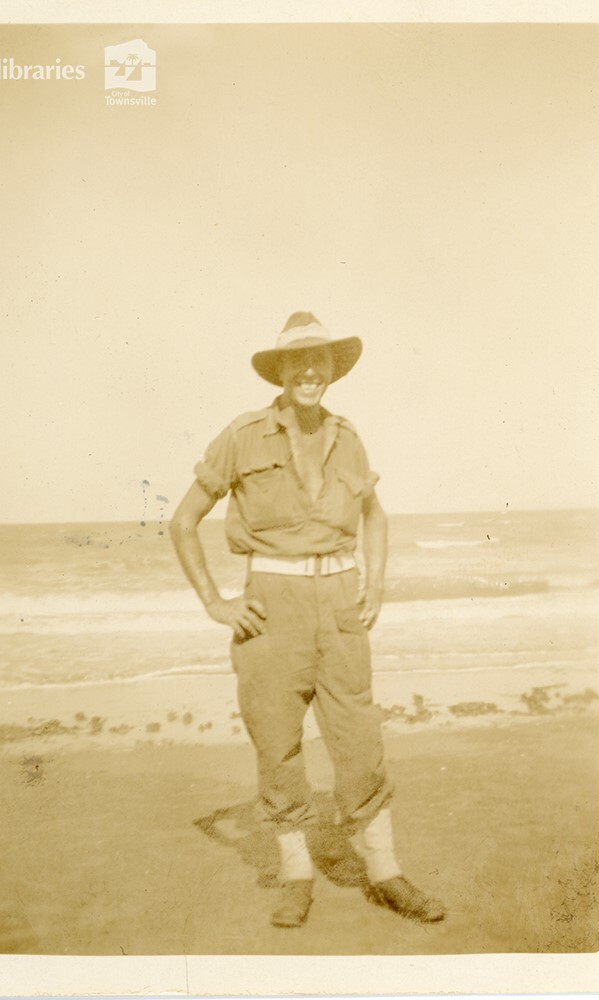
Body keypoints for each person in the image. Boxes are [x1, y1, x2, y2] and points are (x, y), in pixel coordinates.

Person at [171, 312, 445, 929]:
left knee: (360, 740)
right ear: (282, 371)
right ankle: (296, 875)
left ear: (331, 371)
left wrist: (375, 582)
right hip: (272, 609)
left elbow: (376, 515)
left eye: (320, 360)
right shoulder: (242, 436)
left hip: (341, 605)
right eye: (298, 361)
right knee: (277, 742)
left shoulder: (348, 437)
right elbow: (182, 521)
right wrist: (216, 603)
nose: (310, 371)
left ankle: (385, 872)